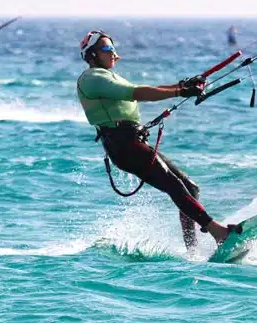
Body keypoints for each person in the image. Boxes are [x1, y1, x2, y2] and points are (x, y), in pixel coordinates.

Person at [75, 30, 233, 251]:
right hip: (122, 146)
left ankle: (192, 250)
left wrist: (183, 86)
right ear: (92, 55)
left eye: (113, 49)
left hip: (133, 142)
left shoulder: (108, 76)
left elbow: (145, 90)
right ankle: (219, 232)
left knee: (190, 187)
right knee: (174, 185)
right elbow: (137, 92)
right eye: (107, 49)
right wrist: (180, 92)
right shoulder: (92, 78)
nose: (114, 54)